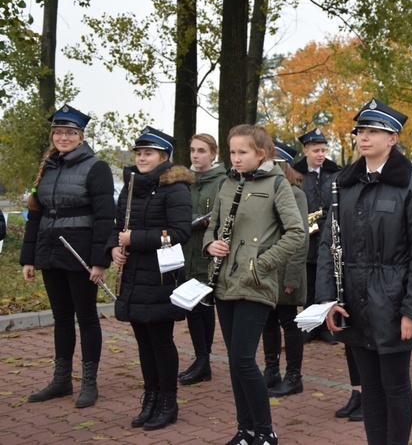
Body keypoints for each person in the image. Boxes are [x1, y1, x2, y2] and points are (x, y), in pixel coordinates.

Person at [317, 98, 412, 445]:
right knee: (370, 386)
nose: (364, 137)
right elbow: (329, 244)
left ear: (393, 139)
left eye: (374, 131)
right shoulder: (343, 183)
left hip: (394, 303)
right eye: (361, 130)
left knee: (395, 384)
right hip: (354, 303)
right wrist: (327, 300)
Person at [204, 124, 305, 445]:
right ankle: (245, 430)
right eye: (232, 152)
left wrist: (261, 264)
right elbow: (212, 227)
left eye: (242, 152)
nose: (236, 158)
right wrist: (211, 245)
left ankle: (265, 432)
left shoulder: (277, 184)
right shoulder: (226, 183)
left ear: (260, 153)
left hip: (256, 283)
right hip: (224, 283)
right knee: (235, 362)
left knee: (245, 360)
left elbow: (296, 233)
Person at [21, 105, 115, 409]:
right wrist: (28, 258)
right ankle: (62, 379)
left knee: (86, 316)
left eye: (71, 133)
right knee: (61, 318)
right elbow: (35, 215)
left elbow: (104, 216)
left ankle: (90, 382)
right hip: (49, 252)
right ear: (52, 136)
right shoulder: (47, 166)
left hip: (80, 253)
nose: (64, 137)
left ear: (81, 136)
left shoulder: (95, 167)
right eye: (59, 132)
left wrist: (100, 259)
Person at [108, 126, 193, 430]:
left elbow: (180, 232)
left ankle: (169, 401)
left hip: (161, 278)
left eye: (149, 153)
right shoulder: (131, 186)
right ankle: (151, 398)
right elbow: (117, 226)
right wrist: (114, 248)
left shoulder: (176, 188)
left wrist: (135, 238)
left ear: (164, 157)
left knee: (160, 341)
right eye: (139, 153)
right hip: (133, 275)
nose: (142, 158)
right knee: (143, 342)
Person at [262, 140, 310, 397]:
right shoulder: (264, 190)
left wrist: (291, 276)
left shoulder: (296, 194)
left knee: (290, 324)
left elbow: (300, 238)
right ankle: (272, 371)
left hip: (286, 271)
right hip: (266, 271)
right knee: (267, 323)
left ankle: (294, 376)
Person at [179, 133, 225, 386]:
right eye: (193, 150)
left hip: (208, 255)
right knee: (193, 309)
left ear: (213, 154)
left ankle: (203, 361)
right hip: (186, 253)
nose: (196, 156)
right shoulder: (184, 180)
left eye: (202, 151)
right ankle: (201, 359)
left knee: (203, 309)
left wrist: (194, 220)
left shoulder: (222, 181)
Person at [293, 128, 341, 345]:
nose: (320, 154)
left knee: (327, 279)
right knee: (309, 281)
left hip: (328, 233)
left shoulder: (335, 172)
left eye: (323, 150)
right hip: (305, 235)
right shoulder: (295, 174)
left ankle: (325, 326)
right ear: (306, 150)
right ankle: (310, 326)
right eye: (316, 150)